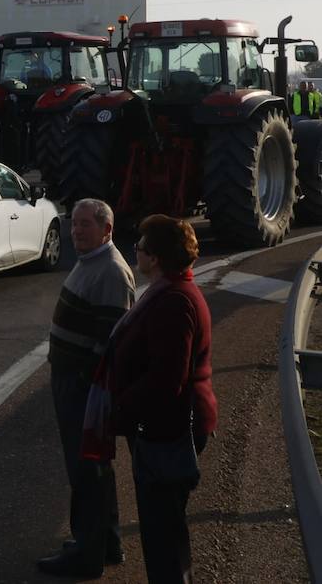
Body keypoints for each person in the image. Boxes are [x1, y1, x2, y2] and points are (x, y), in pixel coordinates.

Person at [112, 215, 217, 583]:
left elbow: (166, 378)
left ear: (154, 258)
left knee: (163, 531)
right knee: (162, 527)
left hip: (167, 429)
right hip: (164, 424)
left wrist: (121, 403)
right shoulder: (170, 291)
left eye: (139, 247)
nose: (135, 252)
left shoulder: (174, 302)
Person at [37, 199, 135, 578]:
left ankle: (87, 554)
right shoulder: (90, 260)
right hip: (74, 383)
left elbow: (109, 342)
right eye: (74, 223)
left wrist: (82, 384)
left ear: (107, 230)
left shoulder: (110, 272)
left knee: (86, 471)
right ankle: (105, 542)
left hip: (83, 389)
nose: (75, 230)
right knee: (93, 468)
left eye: (85, 225)